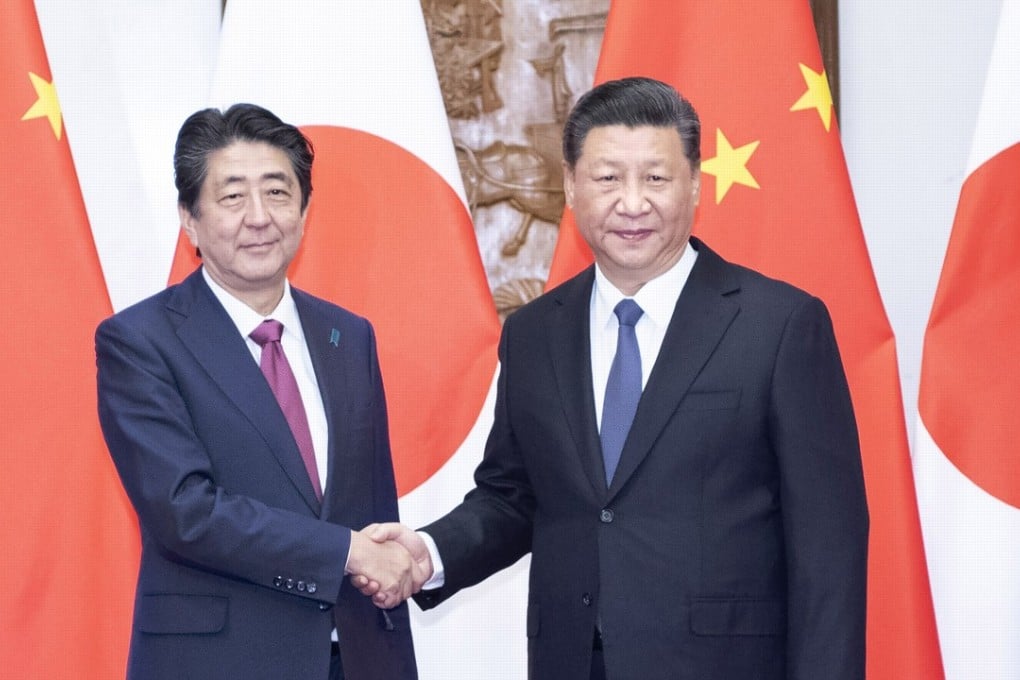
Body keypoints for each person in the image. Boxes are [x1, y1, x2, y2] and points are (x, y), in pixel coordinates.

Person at [359, 77, 869, 680]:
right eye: (607, 179)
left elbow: (828, 547)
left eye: (655, 178)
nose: (632, 203)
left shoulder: (779, 325)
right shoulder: (534, 333)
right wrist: (429, 554)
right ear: (571, 187)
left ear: (695, 186)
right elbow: (515, 496)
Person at [96, 104, 420, 680]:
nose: (258, 217)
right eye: (231, 197)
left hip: (359, 657)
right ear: (189, 219)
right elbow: (184, 511)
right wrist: (345, 552)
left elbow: (371, 504)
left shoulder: (348, 335)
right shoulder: (138, 342)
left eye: (277, 192)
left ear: (304, 210)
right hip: (217, 661)